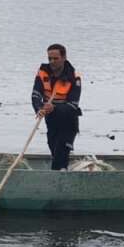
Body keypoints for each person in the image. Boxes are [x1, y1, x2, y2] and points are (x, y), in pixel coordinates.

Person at [31, 43, 81, 171]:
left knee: (61, 151)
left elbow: (73, 104)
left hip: (68, 121)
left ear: (64, 58)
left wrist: (54, 108)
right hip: (51, 119)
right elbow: (36, 94)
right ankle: (61, 173)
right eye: (49, 59)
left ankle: (58, 177)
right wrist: (39, 108)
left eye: (55, 58)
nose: (52, 62)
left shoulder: (74, 77)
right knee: (53, 148)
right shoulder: (43, 73)